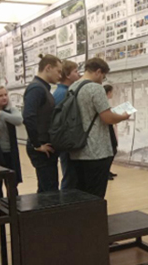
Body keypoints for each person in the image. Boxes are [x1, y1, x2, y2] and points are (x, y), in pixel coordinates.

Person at [69, 58, 129, 199]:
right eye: (103, 76)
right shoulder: (95, 88)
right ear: (98, 71)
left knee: (81, 193)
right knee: (96, 195)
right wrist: (123, 116)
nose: (102, 80)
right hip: (96, 150)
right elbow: (107, 117)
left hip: (77, 148)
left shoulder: (73, 87)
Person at [23, 54, 62, 193]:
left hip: (46, 145)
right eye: (58, 71)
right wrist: (37, 144)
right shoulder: (37, 89)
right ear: (48, 68)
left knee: (47, 188)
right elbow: (28, 116)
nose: (60, 76)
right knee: (49, 190)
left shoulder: (43, 88)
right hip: (42, 147)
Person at [53, 60, 81, 190]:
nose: (78, 74)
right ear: (68, 75)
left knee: (72, 175)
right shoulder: (63, 93)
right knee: (69, 176)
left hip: (67, 140)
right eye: (75, 71)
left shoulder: (66, 91)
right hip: (66, 141)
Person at [103, 84, 118, 181]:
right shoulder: (103, 102)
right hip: (107, 129)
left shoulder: (106, 102)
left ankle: (107, 170)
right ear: (108, 92)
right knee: (112, 149)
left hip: (109, 127)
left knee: (113, 148)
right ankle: (105, 172)